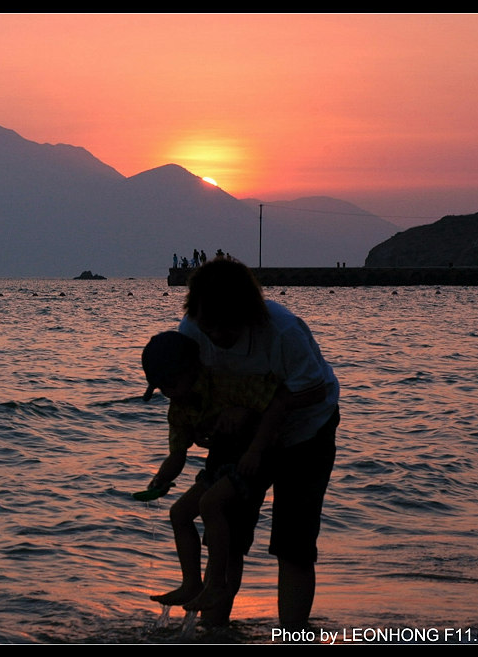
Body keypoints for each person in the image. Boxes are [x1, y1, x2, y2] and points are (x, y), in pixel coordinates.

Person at [178, 257, 340, 630]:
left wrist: (253, 416)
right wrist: (197, 422)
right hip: (238, 433)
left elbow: (311, 391)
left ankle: (293, 634)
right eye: (208, 325)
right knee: (227, 532)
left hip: (306, 433)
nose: (215, 335)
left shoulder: (282, 332)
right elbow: (189, 385)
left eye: (225, 327)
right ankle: (213, 630)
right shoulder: (192, 329)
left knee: (294, 543)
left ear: (248, 315)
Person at [141, 331, 280, 625]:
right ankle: (192, 583)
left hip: (254, 462)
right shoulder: (178, 406)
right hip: (219, 466)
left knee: (211, 504)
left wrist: (249, 426)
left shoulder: (226, 382)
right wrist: (161, 480)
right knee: (179, 513)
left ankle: (216, 584)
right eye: (162, 389)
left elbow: (274, 400)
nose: (170, 393)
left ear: (193, 367)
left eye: (172, 384)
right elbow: (178, 453)